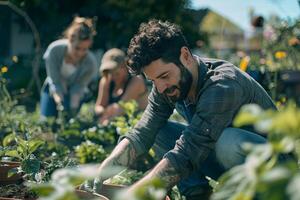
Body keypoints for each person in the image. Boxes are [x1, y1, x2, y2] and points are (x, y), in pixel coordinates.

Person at [85, 19, 276, 199]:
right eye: (153, 81)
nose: (160, 87)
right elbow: (143, 131)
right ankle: (197, 194)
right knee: (159, 130)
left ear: (185, 56)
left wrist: (137, 193)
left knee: (227, 141)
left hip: (273, 164)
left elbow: (189, 150)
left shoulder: (222, 85)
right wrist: (104, 171)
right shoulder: (167, 85)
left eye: (164, 76)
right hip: (227, 161)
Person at [40, 16, 97, 119]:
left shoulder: (90, 63)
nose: (80, 53)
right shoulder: (54, 51)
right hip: (52, 88)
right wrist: (60, 105)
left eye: (84, 49)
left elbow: (79, 86)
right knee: (47, 122)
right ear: (70, 40)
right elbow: (55, 81)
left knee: (69, 123)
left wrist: (72, 108)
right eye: (77, 48)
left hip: (75, 94)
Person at [94, 48, 148, 125]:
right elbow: (98, 106)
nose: (113, 77)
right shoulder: (106, 80)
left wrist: (107, 115)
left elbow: (120, 110)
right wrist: (103, 111)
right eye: (110, 73)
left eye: (116, 73)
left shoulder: (136, 81)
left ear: (125, 66)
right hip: (117, 123)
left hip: (140, 124)